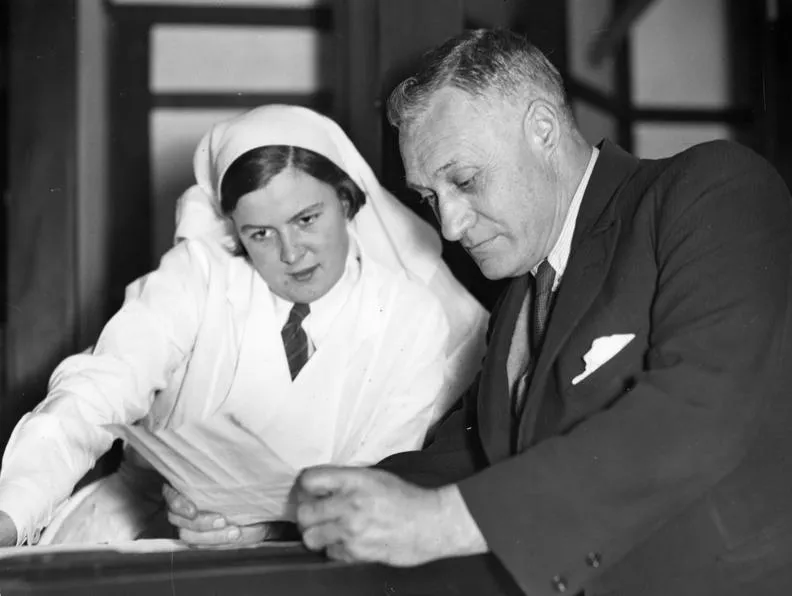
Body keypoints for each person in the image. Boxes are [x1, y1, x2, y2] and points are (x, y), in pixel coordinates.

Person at [269, 29, 792, 595]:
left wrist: (444, 522)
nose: (449, 225)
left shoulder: (708, 190)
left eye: (465, 181)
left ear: (542, 128)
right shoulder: (521, 299)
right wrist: (296, 512)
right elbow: (468, 456)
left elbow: (695, 416)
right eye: (430, 197)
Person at [0, 105, 488, 548]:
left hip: (306, 555)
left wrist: (273, 524)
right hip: (127, 535)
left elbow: (381, 472)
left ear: (346, 200)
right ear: (234, 229)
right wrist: (11, 510)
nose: (291, 253)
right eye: (261, 234)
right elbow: (95, 390)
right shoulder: (197, 276)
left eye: (306, 219)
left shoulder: (410, 317)